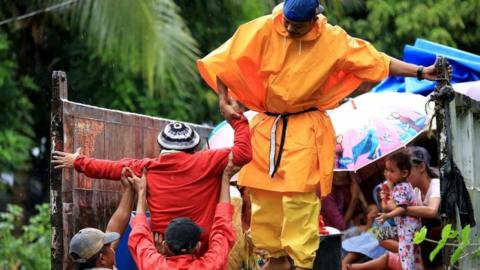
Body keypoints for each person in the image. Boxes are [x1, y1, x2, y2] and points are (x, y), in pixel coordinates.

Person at [196, 0, 450, 269]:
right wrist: (223, 99)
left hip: (305, 131)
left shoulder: (332, 40)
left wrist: (421, 72)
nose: (290, 28)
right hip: (266, 130)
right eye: (287, 22)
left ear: (314, 20)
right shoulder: (265, 28)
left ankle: (300, 264)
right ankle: (275, 259)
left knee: (299, 205)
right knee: (265, 208)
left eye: (297, 25)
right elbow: (224, 59)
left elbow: (377, 60)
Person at [52, 108, 252, 256]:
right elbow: (244, 153)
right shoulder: (208, 161)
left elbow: (109, 168)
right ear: (194, 148)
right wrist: (236, 118)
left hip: (163, 252)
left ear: (161, 147)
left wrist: (77, 161)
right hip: (205, 252)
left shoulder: (147, 168)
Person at [127, 152, 238, 269]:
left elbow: (139, 237)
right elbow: (222, 231)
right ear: (198, 246)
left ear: (165, 245)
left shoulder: (154, 265)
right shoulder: (212, 265)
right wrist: (225, 178)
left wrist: (141, 192)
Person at [347, 146, 441, 270]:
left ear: (422, 167)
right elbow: (393, 208)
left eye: (407, 171)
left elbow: (432, 211)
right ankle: (406, 250)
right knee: (380, 234)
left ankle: (407, 251)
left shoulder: (436, 185)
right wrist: (387, 198)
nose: (404, 176)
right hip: (414, 233)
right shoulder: (414, 190)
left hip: (431, 236)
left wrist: (401, 208)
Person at [69, 167, 136, 270]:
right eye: (108, 246)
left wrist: (129, 190)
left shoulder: (98, 261)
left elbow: (116, 226)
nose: (112, 248)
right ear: (102, 258)